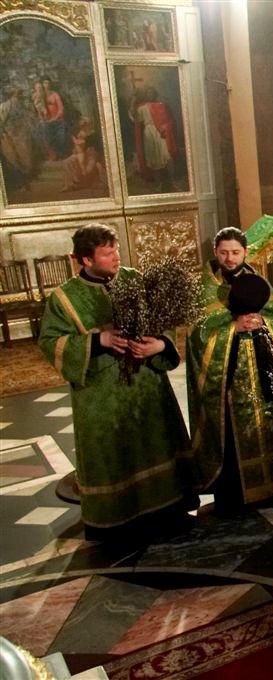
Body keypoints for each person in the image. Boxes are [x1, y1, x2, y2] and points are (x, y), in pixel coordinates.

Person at [38, 224, 191, 540]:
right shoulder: (64, 299)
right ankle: (120, 522)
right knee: (114, 453)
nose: (117, 257)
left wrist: (160, 345)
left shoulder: (135, 280)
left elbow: (165, 323)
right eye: (108, 253)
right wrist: (99, 340)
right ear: (85, 260)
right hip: (101, 395)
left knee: (157, 442)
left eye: (117, 249)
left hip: (147, 384)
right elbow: (50, 342)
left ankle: (170, 508)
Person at [186, 227, 273, 515]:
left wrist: (263, 323)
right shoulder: (205, 288)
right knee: (233, 436)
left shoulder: (258, 281)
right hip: (228, 380)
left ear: (245, 252)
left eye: (235, 252)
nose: (230, 258)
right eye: (224, 253)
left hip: (262, 375)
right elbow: (197, 337)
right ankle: (235, 496)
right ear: (215, 253)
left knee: (271, 424)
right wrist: (233, 328)